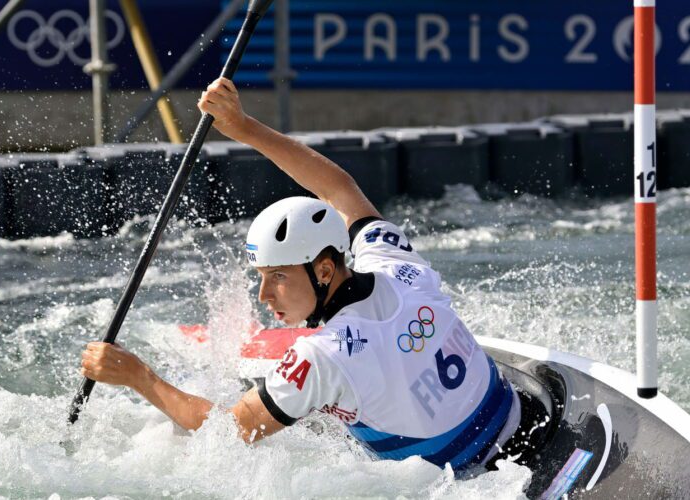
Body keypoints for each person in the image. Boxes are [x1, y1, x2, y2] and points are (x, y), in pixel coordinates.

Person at [79, 77, 522, 472]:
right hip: (518, 419)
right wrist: (244, 128)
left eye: (277, 277)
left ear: (325, 269)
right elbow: (339, 190)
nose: (264, 295)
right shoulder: (394, 260)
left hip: (466, 483)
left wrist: (139, 376)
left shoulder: (320, 358)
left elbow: (230, 430)